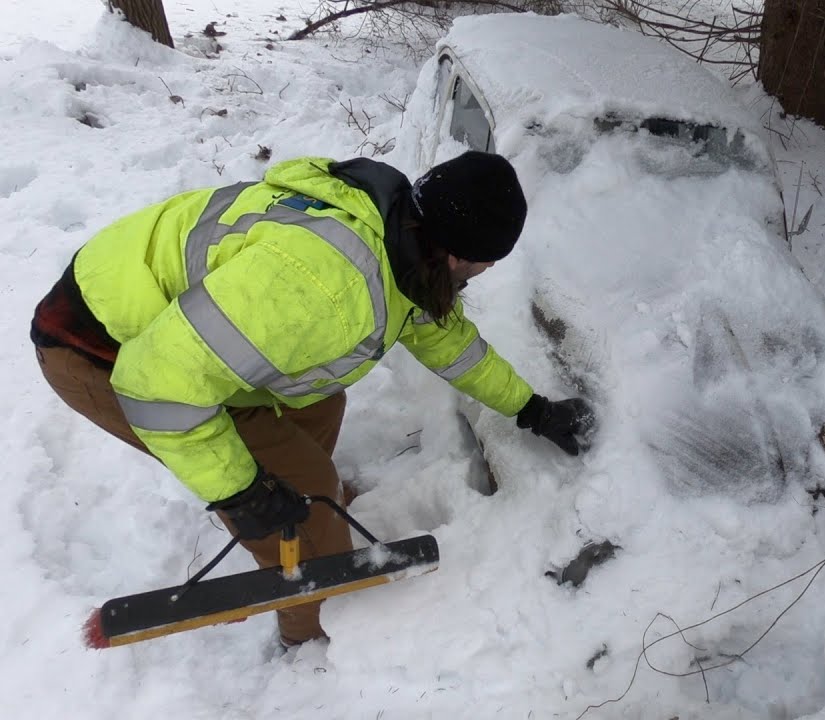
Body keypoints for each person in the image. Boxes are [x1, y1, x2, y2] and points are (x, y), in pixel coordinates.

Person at [29, 151, 594, 647]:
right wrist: (244, 490)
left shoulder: (399, 237)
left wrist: (529, 407)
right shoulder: (321, 285)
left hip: (175, 325)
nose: (489, 269)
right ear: (454, 253)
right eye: (487, 259)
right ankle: (315, 632)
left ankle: (306, 501)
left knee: (321, 402)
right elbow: (157, 382)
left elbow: (447, 339)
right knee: (304, 524)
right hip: (99, 346)